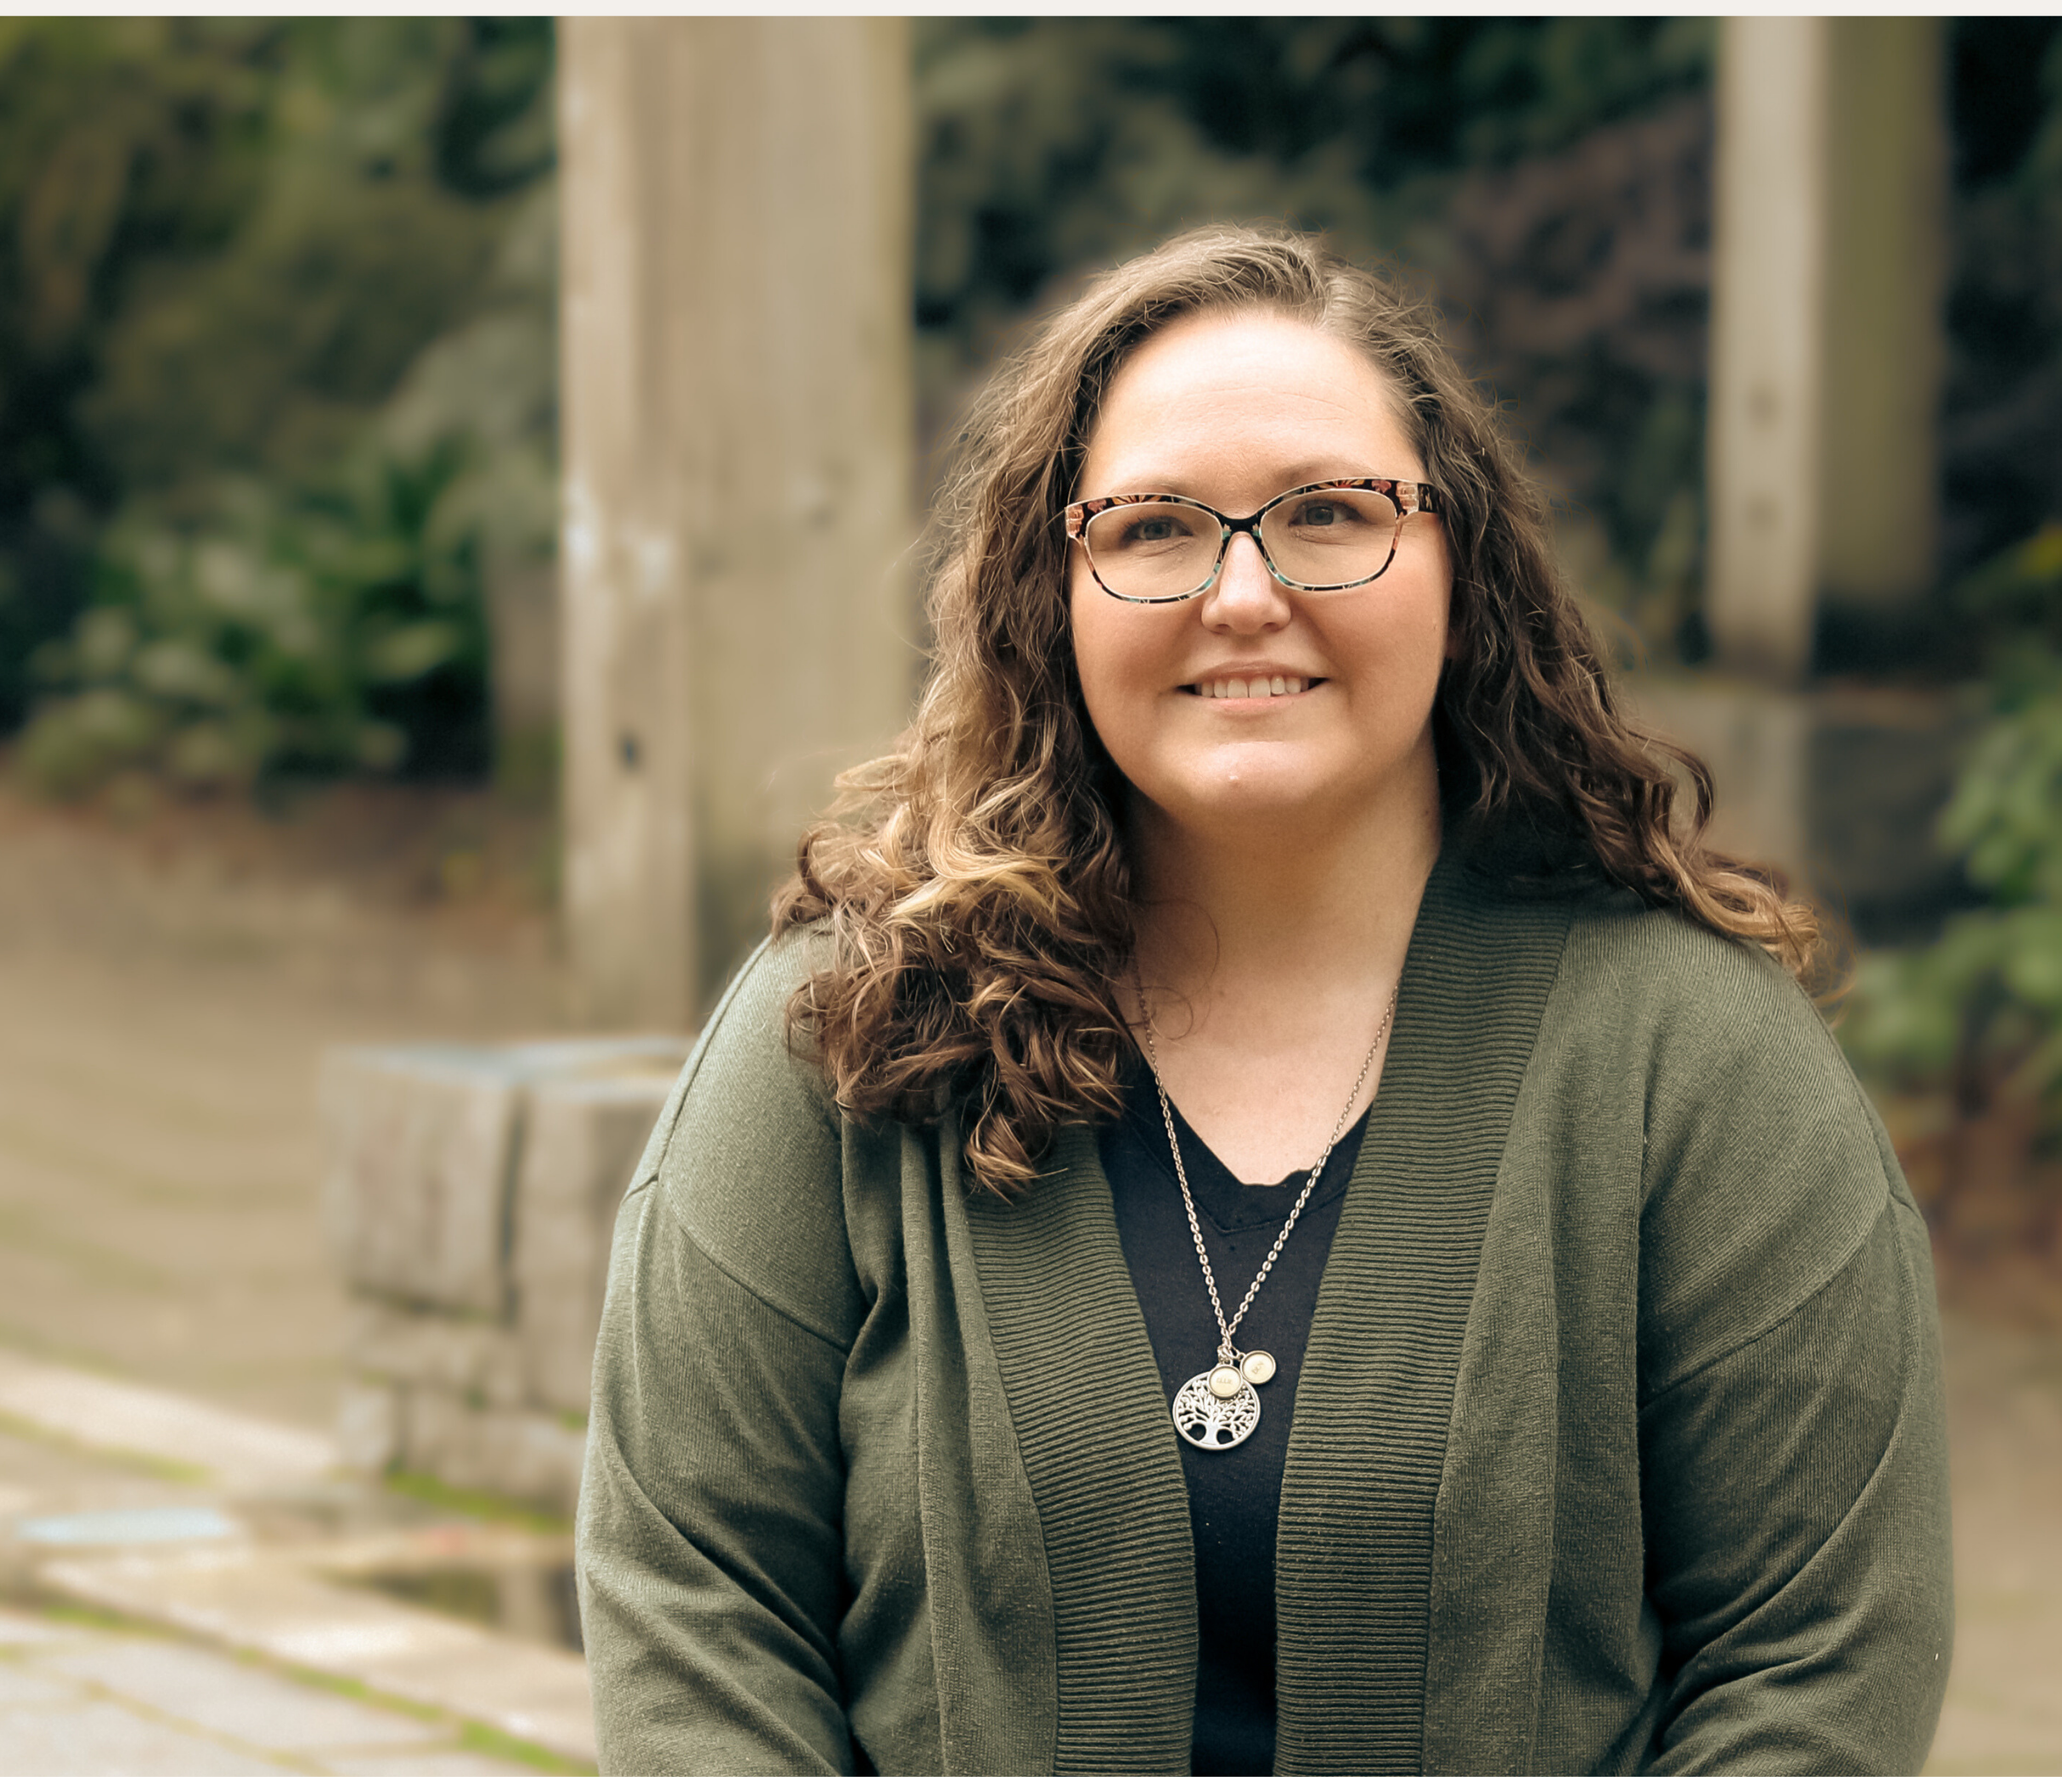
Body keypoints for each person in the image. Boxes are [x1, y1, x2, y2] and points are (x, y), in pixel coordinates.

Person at [574, 226, 1953, 1775]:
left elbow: (1817, 1659)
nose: (1243, 591)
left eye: (1328, 513)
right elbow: (696, 1602)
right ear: (1054, 584)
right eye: (1155, 526)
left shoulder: (1692, 1059)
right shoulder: (851, 1027)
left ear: (1463, 567)